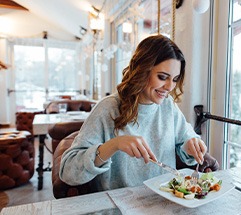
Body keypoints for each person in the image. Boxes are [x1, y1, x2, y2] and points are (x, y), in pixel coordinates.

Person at [59, 34, 219, 191]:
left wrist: (191, 144)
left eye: (175, 79)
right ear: (142, 71)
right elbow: (68, 172)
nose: (170, 87)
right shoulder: (107, 108)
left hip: (164, 201)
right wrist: (114, 145)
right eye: (163, 77)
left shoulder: (168, 105)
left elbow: (186, 139)